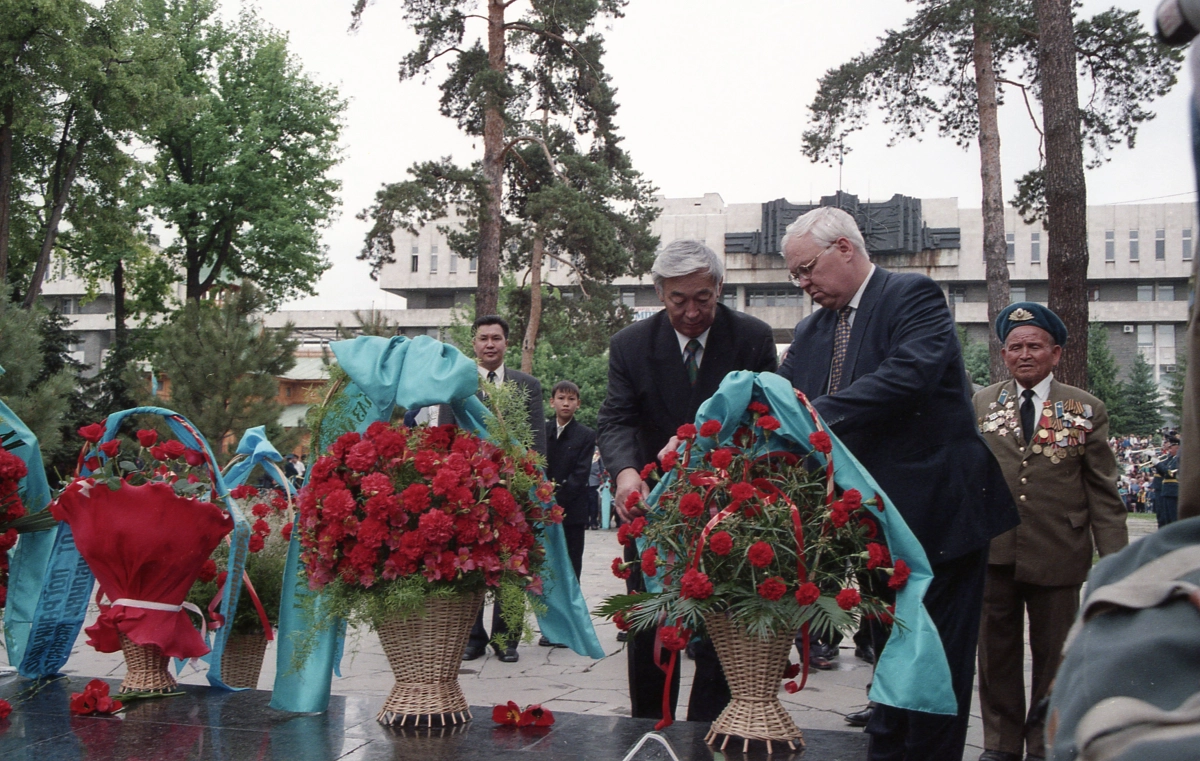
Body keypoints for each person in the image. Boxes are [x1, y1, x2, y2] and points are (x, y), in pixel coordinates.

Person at [775, 206, 1018, 761]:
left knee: (934, 662)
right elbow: (783, 399)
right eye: (796, 276)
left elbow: (907, 375)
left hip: (940, 515)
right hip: (873, 522)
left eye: (808, 269)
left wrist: (813, 417)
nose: (804, 284)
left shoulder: (913, 296)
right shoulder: (812, 332)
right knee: (887, 651)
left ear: (845, 249)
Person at [597, 238, 778, 722]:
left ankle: (705, 733)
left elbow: (767, 422)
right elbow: (616, 420)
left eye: (703, 298)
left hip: (729, 507)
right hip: (652, 506)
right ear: (660, 292)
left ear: (719, 287)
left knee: (721, 627)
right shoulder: (630, 345)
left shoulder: (752, 338)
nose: (692, 312)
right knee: (651, 626)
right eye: (679, 300)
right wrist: (626, 475)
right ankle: (648, 727)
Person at [973, 302, 1129, 761]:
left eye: (1034, 346)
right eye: (1014, 347)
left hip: (1059, 551)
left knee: (1055, 658)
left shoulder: (1085, 408)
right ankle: (1000, 745)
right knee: (994, 656)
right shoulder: (982, 403)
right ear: (1003, 354)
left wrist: (1116, 565)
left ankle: (1044, 744)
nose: (1024, 354)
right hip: (995, 550)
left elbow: (1103, 491)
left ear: (1056, 353)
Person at [457, 315, 547, 664]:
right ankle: (473, 637)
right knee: (472, 563)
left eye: (496, 338)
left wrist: (533, 483)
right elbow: (449, 436)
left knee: (512, 562)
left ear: (507, 343)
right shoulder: (460, 385)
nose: (490, 344)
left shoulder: (527, 384)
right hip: (470, 492)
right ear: (474, 343)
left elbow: (537, 439)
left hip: (515, 489)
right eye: (483, 338)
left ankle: (507, 638)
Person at [543, 380, 596, 581]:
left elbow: (581, 474)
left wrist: (556, 502)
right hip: (541, 510)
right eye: (561, 398)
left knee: (571, 568)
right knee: (544, 567)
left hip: (572, 511)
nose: (566, 403)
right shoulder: (541, 431)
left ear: (578, 404)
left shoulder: (586, 435)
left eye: (571, 399)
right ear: (552, 402)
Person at [1154, 434, 1180, 526]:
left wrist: (1157, 463)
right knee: (1166, 517)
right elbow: (1163, 473)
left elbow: (1170, 473)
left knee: (1173, 517)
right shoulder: (1172, 459)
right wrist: (1156, 464)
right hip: (1167, 491)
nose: (1169, 450)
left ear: (1177, 447)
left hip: (1173, 491)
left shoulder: (1178, 459)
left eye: (1171, 448)